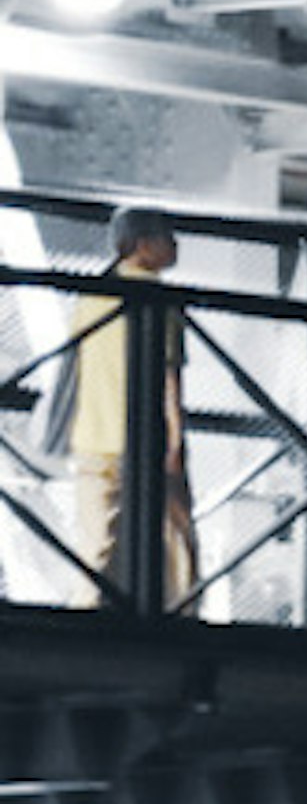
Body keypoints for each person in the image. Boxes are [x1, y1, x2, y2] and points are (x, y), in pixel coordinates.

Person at [5, 215, 197, 614]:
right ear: (142, 243)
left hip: (93, 438)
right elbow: (169, 377)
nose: (176, 245)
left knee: (95, 545)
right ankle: (183, 616)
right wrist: (176, 443)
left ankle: (85, 615)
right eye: (168, 237)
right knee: (177, 541)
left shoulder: (91, 296)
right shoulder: (161, 298)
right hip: (147, 444)